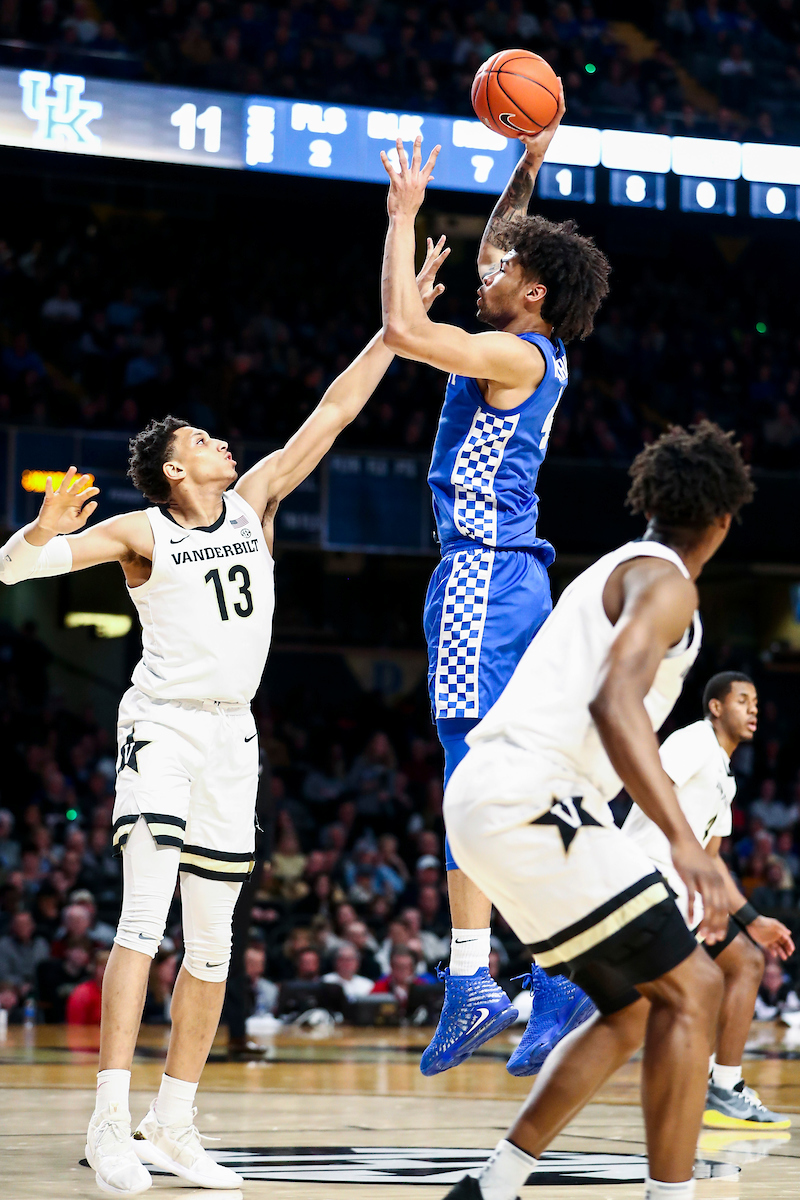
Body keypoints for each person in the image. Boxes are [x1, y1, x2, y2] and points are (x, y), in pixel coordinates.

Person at [0, 242, 448, 1198]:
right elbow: (13, 570)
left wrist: (395, 325)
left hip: (235, 737)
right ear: (172, 466)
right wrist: (39, 532)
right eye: (202, 439)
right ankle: (110, 1120)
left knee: (213, 945)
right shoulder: (142, 531)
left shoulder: (255, 502)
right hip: (161, 725)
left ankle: (176, 1122)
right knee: (140, 921)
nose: (222, 445)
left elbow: (335, 409)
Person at [439, 422, 753, 1200]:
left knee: (633, 1007)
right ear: (724, 519)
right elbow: (614, 701)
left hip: (490, 796)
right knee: (696, 991)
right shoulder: (669, 580)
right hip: (535, 793)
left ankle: (493, 1186)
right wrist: (685, 843)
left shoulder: (617, 566)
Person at [379, 81, 611, 1077]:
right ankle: (549, 968)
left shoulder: (510, 355)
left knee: (469, 776)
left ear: (533, 295)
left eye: (504, 269)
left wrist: (397, 222)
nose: (488, 266)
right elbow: (503, 245)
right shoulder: (530, 341)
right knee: (499, 776)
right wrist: (527, 159)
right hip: (508, 578)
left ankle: (480, 979)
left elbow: (400, 331)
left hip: (481, 576)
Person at [621, 674, 793, 1128]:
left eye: (756, 702)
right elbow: (646, 782)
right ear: (716, 707)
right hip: (646, 878)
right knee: (680, 997)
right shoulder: (694, 740)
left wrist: (753, 919)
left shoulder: (725, 776)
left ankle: (724, 1085)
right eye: (742, 700)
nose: (753, 709)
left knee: (746, 962)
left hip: (681, 890)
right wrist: (679, 846)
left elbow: (713, 860)